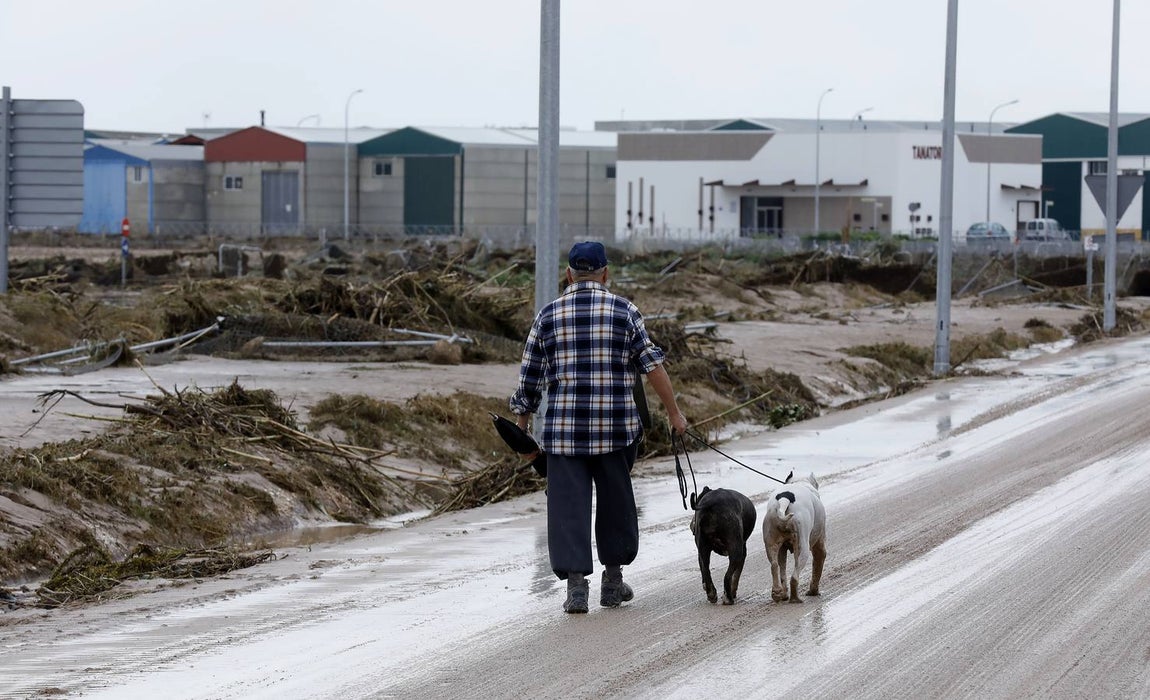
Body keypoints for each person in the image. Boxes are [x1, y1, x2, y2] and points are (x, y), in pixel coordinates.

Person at [510, 241, 688, 614]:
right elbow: (652, 367)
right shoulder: (624, 311)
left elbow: (530, 377)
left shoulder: (548, 315)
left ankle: (576, 589)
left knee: (567, 508)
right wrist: (675, 414)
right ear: (606, 273)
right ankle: (612, 581)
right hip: (616, 430)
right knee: (616, 503)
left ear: (569, 273)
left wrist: (521, 425)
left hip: (563, 433)